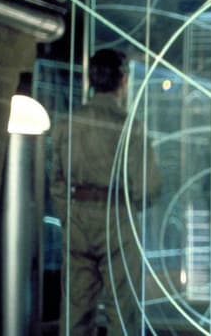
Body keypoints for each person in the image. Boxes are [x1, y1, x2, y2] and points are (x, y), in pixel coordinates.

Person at [50, 48, 161, 335]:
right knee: (122, 311)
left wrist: (69, 214)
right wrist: (130, 207)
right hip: (117, 218)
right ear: (123, 80)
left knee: (75, 309)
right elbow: (148, 187)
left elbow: (57, 180)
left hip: (77, 216)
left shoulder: (67, 123)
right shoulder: (130, 127)